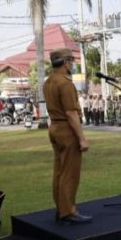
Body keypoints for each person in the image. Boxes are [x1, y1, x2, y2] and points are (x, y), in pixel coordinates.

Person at [44, 48, 91, 224]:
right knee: (70, 173)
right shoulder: (65, 83)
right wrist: (82, 138)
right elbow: (71, 113)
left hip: (54, 127)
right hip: (66, 129)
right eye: (71, 60)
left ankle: (61, 208)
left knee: (59, 172)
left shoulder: (49, 81)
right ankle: (68, 211)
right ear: (64, 62)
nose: (72, 63)